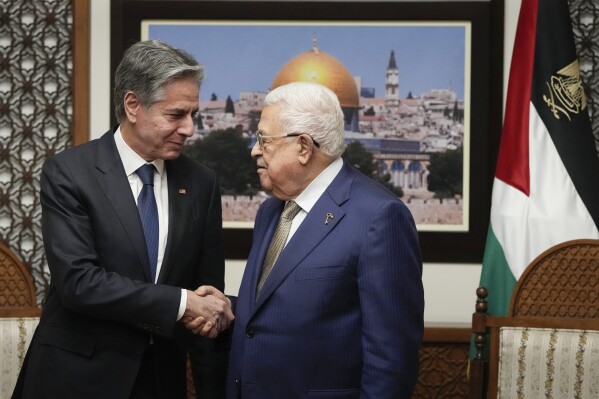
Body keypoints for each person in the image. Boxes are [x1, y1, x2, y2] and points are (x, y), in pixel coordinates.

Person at [12, 40, 234, 399]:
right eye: (176, 114)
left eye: (194, 114)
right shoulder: (70, 173)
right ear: (133, 105)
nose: (190, 128)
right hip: (76, 380)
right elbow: (79, 283)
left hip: (161, 382)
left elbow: (207, 302)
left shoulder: (201, 183)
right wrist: (181, 302)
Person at [225, 82, 425, 398]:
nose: (254, 149)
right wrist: (228, 309)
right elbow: (277, 311)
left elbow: (391, 361)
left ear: (304, 147)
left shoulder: (379, 217)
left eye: (264, 139)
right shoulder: (270, 212)